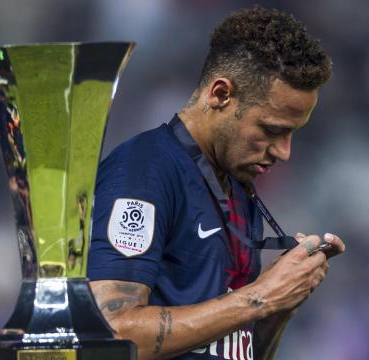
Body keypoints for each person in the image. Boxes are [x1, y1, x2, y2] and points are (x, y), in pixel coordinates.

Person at [87, 6, 346, 360]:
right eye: (272, 130)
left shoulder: (236, 186)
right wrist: (262, 296)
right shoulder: (145, 171)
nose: (284, 152)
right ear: (220, 94)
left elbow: (233, 347)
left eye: (292, 133)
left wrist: (278, 307)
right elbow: (112, 333)